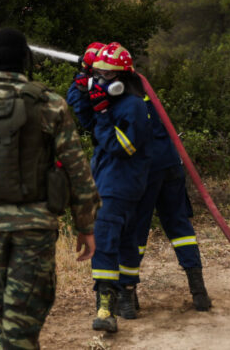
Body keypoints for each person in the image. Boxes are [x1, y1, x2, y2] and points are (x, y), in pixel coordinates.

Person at [0, 27, 101, 350]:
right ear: (26, 61)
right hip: (35, 229)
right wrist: (86, 225)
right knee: (16, 327)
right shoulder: (51, 104)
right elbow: (79, 170)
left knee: (12, 327)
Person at [116, 92, 212, 316]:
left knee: (135, 232)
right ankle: (199, 292)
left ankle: (127, 296)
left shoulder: (119, 97)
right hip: (170, 164)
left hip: (146, 170)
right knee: (180, 227)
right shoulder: (146, 95)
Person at [82, 41, 150, 333]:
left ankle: (106, 307)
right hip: (124, 184)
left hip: (117, 185)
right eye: (96, 74)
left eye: (106, 76)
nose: (99, 81)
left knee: (105, 243)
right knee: (126, 242)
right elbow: (84, 115)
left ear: (122, 79)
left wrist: (102, 115)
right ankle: (127, 301)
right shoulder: (115, 103)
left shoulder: (131, 106)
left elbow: (123, 146)